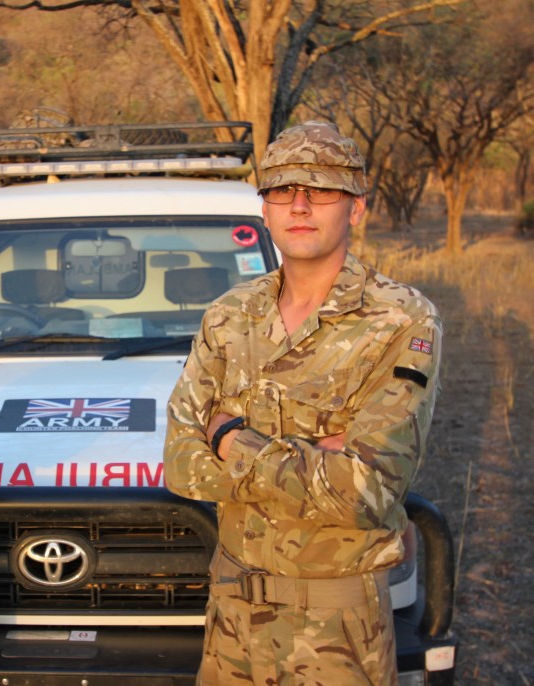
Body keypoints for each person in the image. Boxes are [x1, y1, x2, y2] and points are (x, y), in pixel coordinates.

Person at [164, 121, 442, 686]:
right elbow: (178, 464)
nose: (300, 205)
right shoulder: (228, 314)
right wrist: (315, 454)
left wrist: (229, 439)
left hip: (337, 630)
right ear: (263, 209)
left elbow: (366, 489)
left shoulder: (402, 319)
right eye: (283, 190)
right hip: (231, 622)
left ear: (357, 208)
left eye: (321, 190)